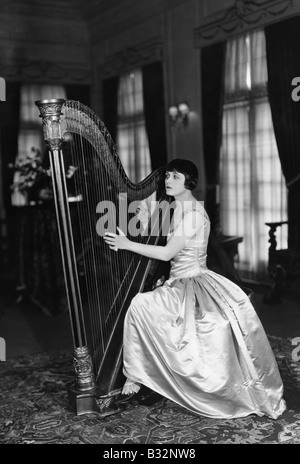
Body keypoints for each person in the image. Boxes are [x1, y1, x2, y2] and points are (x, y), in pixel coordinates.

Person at [103, 158, 286, 419]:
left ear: (189, 181)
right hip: (177, 280)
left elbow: (167, 253)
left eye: (175, 177)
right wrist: (139, 225)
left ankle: (142, 377)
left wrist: (126, 243)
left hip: (193, 282)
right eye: (167, 176)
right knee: (148, 308)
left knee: (141, 304)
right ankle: (155, 377)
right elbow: (159, 238)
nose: (168, 181)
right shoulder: (173, 207)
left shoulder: (193, 214)